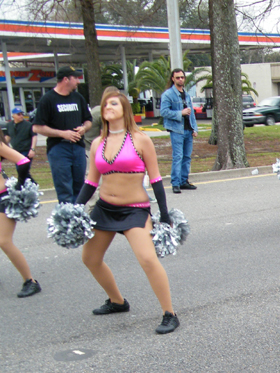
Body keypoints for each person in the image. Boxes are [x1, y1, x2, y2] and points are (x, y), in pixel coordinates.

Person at [73, 87, 180, 334]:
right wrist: (75, 210)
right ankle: (117, 301)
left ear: (124, 110)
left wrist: (164, 215)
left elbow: (155, 180)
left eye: (114, 104)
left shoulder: (141, 140)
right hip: (104, 208)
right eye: (105, 104)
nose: (108, 107)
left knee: (147, 259)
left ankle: (169, 313)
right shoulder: (98, 143)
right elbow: (90, 182)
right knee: (90, 258)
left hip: (134, 210)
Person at [32, 66, 92, 204]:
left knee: (80, 188)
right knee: (65, 190)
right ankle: (66, 221)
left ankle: (78, 219)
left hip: (78, 148)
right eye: (75, 78)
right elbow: (37, 127)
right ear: (66, 79)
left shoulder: (78, 98)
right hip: (59, 148)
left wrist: (84, 128)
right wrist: (61, 133)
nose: (78, 81)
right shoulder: (48, 99)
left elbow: (88, 120)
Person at [0, 141, 40, 297]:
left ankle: (30, 281)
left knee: (4, 241)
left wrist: (19, 185)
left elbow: (23, 161)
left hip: (3, 198)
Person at [160, 69, 198, 194]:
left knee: (187, 157)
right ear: (173, 79)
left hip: (188, 130)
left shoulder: (186, 95)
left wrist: (194, 128)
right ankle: (175, 183)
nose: (180, 79)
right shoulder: (168, 94)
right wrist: (179, 113)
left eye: (182, 77)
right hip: (176, 130)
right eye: (177, 78)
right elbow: (164, 112)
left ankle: (183, 181)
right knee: (178, 156)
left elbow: (191, 113)